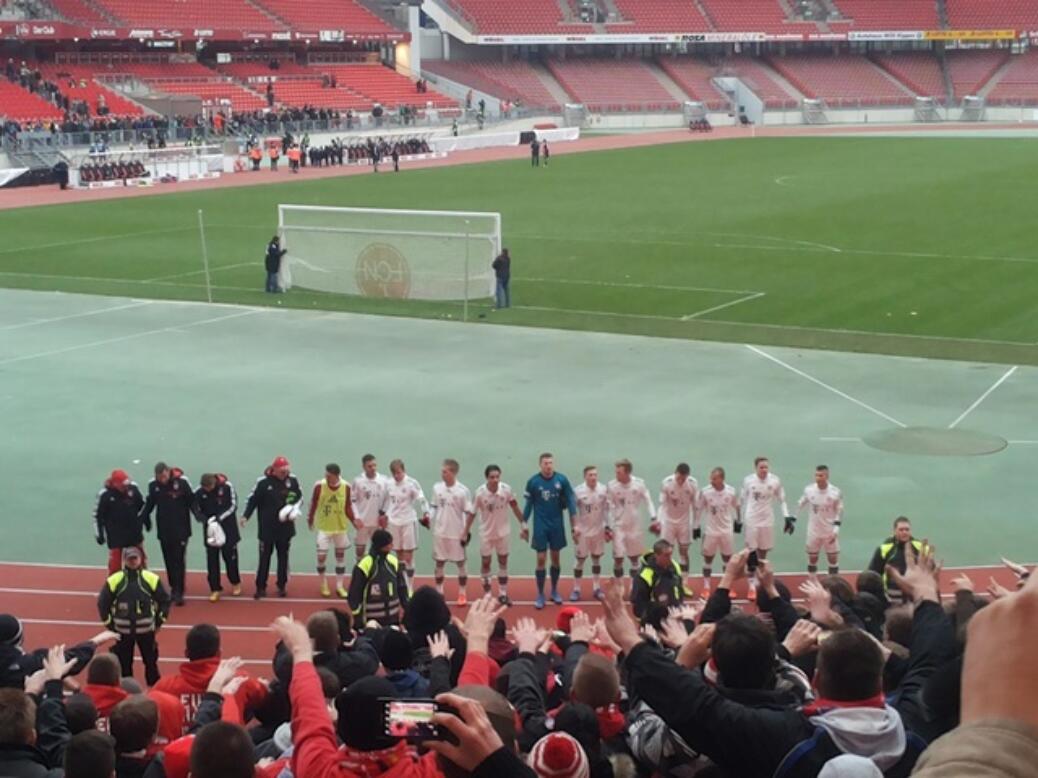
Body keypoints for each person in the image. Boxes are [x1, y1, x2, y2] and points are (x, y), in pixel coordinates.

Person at [98, 545, 170, 686]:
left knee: (151, 662)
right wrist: (110, 624)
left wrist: (159, 621)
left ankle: (155, 689)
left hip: (146, 631)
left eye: (135, 558)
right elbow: (103, 603)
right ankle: (127, 691)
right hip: (123, 632)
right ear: (125, 560)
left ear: (140, 559)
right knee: (124, 664)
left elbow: (165, 600)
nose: (133, 561)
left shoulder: (151, 578)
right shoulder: (115, 580)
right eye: (130, 558)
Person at [241, 456, 303, 599]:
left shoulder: (292, 480)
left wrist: (293, 510)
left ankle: (282, 585)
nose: (284, 473)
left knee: (283, 558)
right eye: (282, 470)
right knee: (264, 558)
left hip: (285, 528)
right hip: (267, 528)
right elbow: (252, 500)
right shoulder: (262, 483)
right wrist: (246, 516)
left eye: (286, 470)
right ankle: (260, 587)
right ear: (274, 469)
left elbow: (299, 497)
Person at [522, 453, 578, 609]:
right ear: (540, 465)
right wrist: (523, 522)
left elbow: (572, 505)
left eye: (551, 463)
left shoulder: (562, 480)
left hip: (557, 525)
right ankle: (540, 593)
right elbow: (528, 505)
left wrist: (575, 526)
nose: (548, 465)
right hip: (540, 525)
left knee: (555, 558)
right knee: (541, 559)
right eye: (545, 463)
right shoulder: (533, 482)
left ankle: (554, 590)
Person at [468, 464, 523, 605]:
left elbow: (515, 506)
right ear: (487, 478)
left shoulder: (506, 490)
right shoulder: (480, 493)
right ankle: (487, 596)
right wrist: (465, 531)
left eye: (497, 477)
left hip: (503, 533)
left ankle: (502, 594)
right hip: (486, 533)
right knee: (486, 562)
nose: (495, 480)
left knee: (503, 561)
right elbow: (472, 513)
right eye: (492, 477)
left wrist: (524, 523)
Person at [140, 462, 193, 606]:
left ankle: (179, 591)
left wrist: (199, 515)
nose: (162, 479)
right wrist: (143, 518)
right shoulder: (154, 485)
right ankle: (173, 586)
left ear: (168, 472)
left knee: (179, 560)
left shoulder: (182, 482)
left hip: (181, 529)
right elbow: (150, 503)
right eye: (159, 477)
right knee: (168, 560)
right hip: (164, 529)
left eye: (163, 476)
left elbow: (191, 501)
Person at [740, 456, 792, 599]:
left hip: (767, 520)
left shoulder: (775, 481)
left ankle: (760, 580)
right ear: (755, 468)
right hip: (752, 520)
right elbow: (742, 499)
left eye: (766, 467)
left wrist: (787, 516)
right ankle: (751, 584)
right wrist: (739, 518)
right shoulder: (748, 481)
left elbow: (782, 500)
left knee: (763, 552)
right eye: (761, 467)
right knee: (751, 552)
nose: (764, 470)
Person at [427, 459, 474, 606]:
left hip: (457, 533)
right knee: (439, 563)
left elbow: (468, 512)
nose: (442, 474)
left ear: (453, 472)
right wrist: (429, 517)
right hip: (440, 532)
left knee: (460, 563)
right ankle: (439, 592)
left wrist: (465, 532)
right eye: (442, 471)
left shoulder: (463, 491)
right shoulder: (437, 488)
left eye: (445, 471)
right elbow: (434, 507)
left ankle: (462, 593)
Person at [307, 463, 355, 599]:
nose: (326, 477)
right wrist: (310, 519)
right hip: (324, 527)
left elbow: (348, 507)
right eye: (326, 475)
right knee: (321, 557)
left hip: (340, 528)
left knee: (340, 557)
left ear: (336, 475)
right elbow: (314, 503)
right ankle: (323, 583)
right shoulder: (319, 486)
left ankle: (339, 586)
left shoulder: (346, 487)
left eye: (329, 475)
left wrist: (354, 520)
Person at [607, 459, 657, 589]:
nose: (616, 475)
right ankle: (619, 587)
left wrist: (653, 517)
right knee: (618, 558)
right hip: (619, 526)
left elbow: (648, 501)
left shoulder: (639, 484)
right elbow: (609, 506)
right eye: (616, 472)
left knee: (634, 558)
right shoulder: (612, 486)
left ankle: (633, 587)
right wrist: (608, 526)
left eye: (619, 472)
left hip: (634, 526)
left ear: (627, 472)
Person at [191, 473, 241, 603]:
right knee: (212, 561)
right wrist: (204, 519)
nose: (207, 490)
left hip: (228, 529)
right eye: (205, 488)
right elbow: (195, 508)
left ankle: (235, 582)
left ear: (214, 483)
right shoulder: (199, 492)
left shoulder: (227, 487)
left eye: (209, 487)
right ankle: (215, 589)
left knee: (230, 558)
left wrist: (219, 518)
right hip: (210, 531)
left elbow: (233, 506)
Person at [347, 528, 410, 626]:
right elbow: (355, 593)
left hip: (393, 619)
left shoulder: (393, 561)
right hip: (370, 622)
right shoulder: (365, 565)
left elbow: (402, 587)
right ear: (381, 545)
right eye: (389, 543)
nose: (392, 546)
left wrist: (407, 608)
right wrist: (358, 618)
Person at [383, 459, 429, 589]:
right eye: (394, 473)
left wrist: (426, 514)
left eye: (399, 472)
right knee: (399, 556)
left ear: (404, 470)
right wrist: (384, 515)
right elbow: (386, 502)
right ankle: (401, 584)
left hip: (408, 521)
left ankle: (409, 587)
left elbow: (422, 500)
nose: (397, 476)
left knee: (408, 557)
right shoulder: (389, 484)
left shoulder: (412, 483)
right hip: (393, 522)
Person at [695, 467, 740, 596]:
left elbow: (737, 506)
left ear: (721, 479)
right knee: (708, 559)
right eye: (711, 478)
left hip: (726, 530)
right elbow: (699, 509)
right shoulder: (705, 492)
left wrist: (738, 521)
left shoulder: (731, 491)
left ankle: (727, 587)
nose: (711, 480)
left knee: (727, 560)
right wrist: (696, 526)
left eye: (714, 478)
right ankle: (706, 586)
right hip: (711, 531)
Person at [95, 469, 147, 576]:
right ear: (115, 484)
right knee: (115, 566)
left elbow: (142, 507)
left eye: (126, 483)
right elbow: (98, 516)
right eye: (123, 485)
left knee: (140, 563)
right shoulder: (105, 495)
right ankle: (114, 588)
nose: (125, 486)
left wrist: (146, 520)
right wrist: (100, 534)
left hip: (134, 534)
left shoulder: (133, 489)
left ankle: (143, 584)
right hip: (116, 536)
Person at [796, 464, 844, 576]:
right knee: (813, 558)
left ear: (827, 476)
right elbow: (800, 503)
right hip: (814, 531)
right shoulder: (809, 490)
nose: (817, 478)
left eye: (820, 475)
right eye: (816, 475)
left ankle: (833, 583)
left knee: (833, 559)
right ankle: (812, 581)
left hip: (829, 531)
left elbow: (839, 512)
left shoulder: (835, 492)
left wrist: (836, 531)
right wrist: (793, 519)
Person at [571, 465, 610, 601]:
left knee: (596, 559)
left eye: (595, 475)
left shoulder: (603, 490)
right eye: (590, 475)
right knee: (580, 561)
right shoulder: (578, 491)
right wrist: (574, 527)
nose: (593, 477)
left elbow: (606, 510)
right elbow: (573, 511)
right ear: (585, 477)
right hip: (583, 532)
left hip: (598, 531)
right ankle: (576, 589)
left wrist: (607, 527)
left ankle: (596, 587)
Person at [657, 463, 699, 586]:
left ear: (687, 476)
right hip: (668, 522)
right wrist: (659, 521)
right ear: (675, 473)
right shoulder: (667, 483)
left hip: (684, 522)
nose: (681, 480)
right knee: (666, 552)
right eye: (679, 478)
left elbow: (695, 506)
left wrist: (696, 525)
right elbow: (662, 504)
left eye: (683, 478)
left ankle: (684, 581)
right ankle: (666, 579)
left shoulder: (692, 484)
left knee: (684, 552)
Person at [867, 517, 925, 600]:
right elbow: (873, 574)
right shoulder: (884, 549)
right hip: (891, 598)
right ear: (894, 531)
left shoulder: (920, 548)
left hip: (916, 596)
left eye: (907, 529)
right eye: (901, 530)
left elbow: (929, 573)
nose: (904, 532)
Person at [631, 539, 686, 626]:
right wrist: (645, 621)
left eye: (671, 554)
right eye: (666, 555)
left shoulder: (675, 566)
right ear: (657, 555)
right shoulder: (645, 575)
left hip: (675, 616)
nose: (670, 558)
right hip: (655, 620)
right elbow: (639, 603)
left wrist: (680, 606)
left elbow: (679, 588)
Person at [350, 454, 391, 562]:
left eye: (374, 465)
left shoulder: (384, 480)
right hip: (362, 522)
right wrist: (356, 517)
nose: (373, 468)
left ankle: (377, 574)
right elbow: (352, 501)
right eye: (370, 466)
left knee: (378, 550)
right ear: (364, 467)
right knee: (360, 551)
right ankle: (360, 574)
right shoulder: (358, 481)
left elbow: (388, 499)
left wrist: (383, 514)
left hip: (377, 523)